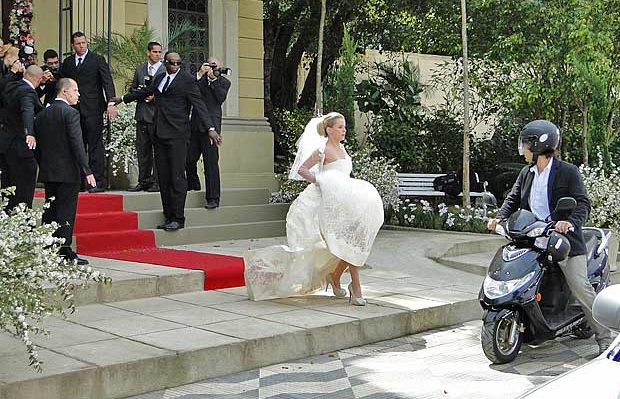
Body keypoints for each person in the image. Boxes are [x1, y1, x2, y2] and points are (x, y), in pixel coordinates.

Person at [487, 119, 612, 355]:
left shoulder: (567, 171)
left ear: (538, 144)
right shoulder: (527, 173)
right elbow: (512, 200)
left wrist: (569, 223)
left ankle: (605, 337)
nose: (522, 149)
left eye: (525, 144)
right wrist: (498, 219)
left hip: (562, 241)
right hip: (531, 238)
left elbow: (582, 203)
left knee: (579, 286)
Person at [243, 112, 384, 305]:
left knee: (353, 241)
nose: (344, 130)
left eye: (344, 127)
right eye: (340, 127)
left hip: (342, 199)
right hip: (324, 201)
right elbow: (302, 169)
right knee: (345, 242)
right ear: (329, 129)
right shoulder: (322, 149)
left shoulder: (342, 148)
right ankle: (356, 288)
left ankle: (336, 276)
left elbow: (343, 175)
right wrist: (320, 180)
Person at [119, 51, 217, 232]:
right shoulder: (160, 78)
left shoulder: (187, 80)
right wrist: (121, 99)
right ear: (165, 63)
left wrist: (210, 128)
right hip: (160, 134)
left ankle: (178, 218)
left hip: (178, 135)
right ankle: (168, 216)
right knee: (163, 178)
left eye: (178, 63)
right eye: (172, 63)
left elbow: (199, 105)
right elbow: (145, 91)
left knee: (177, 177)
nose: (175, 66)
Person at [34, 78, 96, 265]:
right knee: (66, 210)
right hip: (68, 170)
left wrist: (43, 163)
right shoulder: (70, 113)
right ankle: (64, 249)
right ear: (64, 92)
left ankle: (47, 246)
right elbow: (77, 144)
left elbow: (37, 146)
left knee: (50, 209)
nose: (78, 94)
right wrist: (87, 170)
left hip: (49, 170)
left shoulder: (43, 114)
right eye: (75, 90)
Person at [60, 31, 117, 193]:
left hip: (93, 109)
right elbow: (62, 84)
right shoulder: (68, 63)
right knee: (75, 145)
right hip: (73, 110)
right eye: (78, 43)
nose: (81, 46)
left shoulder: (97, 60)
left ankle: (98, 182)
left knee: (95, 146)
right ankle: (78, 182)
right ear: (73, 45)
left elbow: (107, 82)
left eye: (84, 43)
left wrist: (111, 103)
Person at [186, 56, 231, 209]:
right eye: (211, 66)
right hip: (195, 125)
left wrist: (214, 80)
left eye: (216, 67)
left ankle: (213, 198)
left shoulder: (224, 82)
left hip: (211, 128)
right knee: (188, 159)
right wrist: (200, 74)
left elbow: (220, 98)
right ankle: (193, 184)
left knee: (211, 163)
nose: (214, 69)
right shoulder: (200, 80)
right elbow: (192, 91)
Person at [0, 65, 44, 210]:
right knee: (26, 181)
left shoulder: (11, 86)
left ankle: (6, 217)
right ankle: (25, 219)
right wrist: (29, 133)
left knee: (8, 185)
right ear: (38, 79)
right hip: (20, 146)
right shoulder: (28, 93)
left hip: (5, 144)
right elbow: (27, 111)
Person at [127, 41, 164, 193]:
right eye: (155, 52)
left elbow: (169, 93)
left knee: (158, 151)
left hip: (157, 116)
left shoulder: (164, 69)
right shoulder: (140, 69)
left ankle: (157, 182)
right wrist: (139, 92)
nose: (157, 55)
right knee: (143, 150)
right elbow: (133, 88)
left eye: (159, 52)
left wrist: (155, 98)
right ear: (148, 52)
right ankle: (143, 181)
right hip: (142, 114)